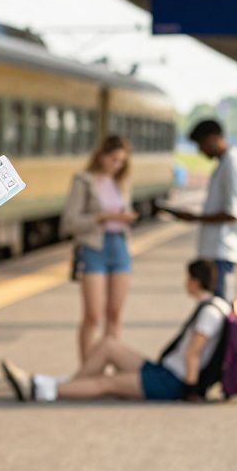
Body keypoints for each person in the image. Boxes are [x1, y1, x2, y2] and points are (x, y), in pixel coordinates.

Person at [1, 260, 229, 403]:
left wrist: (189, 391)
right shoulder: (217, 306)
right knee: (108, 344)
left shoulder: (210, 314)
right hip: (165, 371)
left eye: (188, 278)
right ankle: (65, 385)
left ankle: (36, 389)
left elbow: (193, 354)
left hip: (172, 383)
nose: (185, 283)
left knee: (106, 383)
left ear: (196, 282)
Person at [61, 135, 138, 364]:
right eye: (114, 159)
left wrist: (125, 218)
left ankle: (108, 364)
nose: (118, 165)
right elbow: (70, 222)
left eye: (122, 161)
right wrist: (103, 217)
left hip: (120, 247)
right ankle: (87, 369)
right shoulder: (83, 180)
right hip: (94, 247)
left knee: (114, 314)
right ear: (102, 156)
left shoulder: (122, 183)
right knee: (93, 315)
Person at [158, 119, 237, 301]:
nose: (200, 150)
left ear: (214, 138)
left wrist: (196, 218)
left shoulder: (233, 165)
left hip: (223, 250)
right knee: (214, 303)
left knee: (218, 306)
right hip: (217, 250)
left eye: (201, 144)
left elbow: (233, 213)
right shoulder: (225, 163)